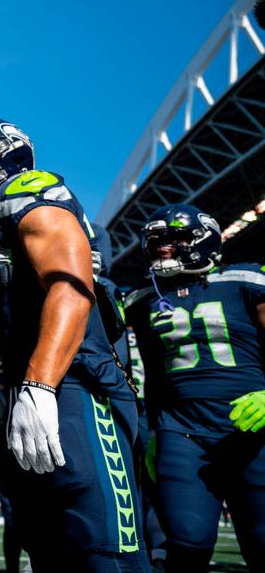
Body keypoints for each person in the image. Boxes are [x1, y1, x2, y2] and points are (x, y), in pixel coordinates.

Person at [0, 116, 147, 572]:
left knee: (104, 548)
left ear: (4, 155)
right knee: (47, 548)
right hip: (33, 391)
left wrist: (39, 384)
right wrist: (7, 392)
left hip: (75, 386)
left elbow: (70, 285)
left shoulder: (29, 191)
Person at [123, 203, 265, 571]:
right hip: (181, 431)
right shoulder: (142, 300)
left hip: (252, 428)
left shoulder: (246, 280)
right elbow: (152, 373)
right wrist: (154, 430)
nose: (163, 248)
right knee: (187, 541)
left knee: (262, 540)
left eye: (175, 238)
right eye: (156, 241)